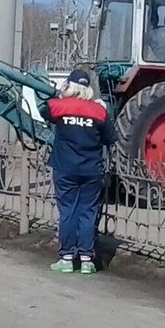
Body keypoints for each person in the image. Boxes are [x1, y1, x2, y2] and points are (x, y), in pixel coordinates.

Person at [39, 69, 117, 274]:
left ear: (69, 86)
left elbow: (43, 110)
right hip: (91, 169)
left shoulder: (59, 106)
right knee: (88, 212)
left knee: (68, 211)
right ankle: (86, 259)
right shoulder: (99, 111)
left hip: (65, 168)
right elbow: (110, 138)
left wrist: (59, 93)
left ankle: (66, 257)